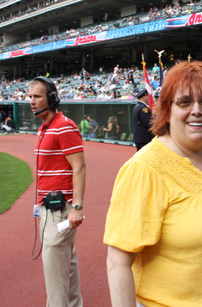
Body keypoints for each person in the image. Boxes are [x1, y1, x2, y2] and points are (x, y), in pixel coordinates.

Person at [104, 61, 202, 307]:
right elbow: (118, 261)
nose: (197, 110)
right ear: (167, 109)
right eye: (184, 102)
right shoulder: (145, 169)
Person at [29, 76, 85, 306]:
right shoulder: (45, 128)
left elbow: (79, 167)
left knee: (55, 281)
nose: (31, 101)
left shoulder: (64, 126)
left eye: (37, 96)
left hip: (61, 211)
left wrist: (77, 207)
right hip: (48, 209)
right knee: (67, 273)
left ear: (51, 98)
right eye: (30, 96)